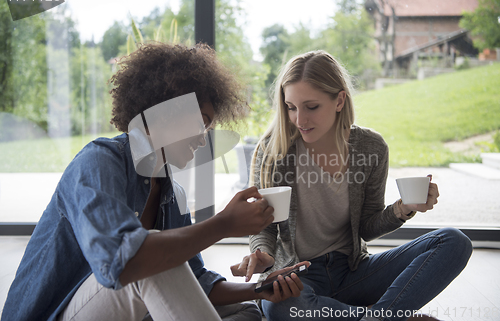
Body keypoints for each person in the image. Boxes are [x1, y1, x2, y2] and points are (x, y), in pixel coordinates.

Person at [1, 42, 309, 321]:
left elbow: (196, 279)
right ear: (166, 111)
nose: (203, 141)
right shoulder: (99, 162)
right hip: (55, 313)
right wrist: (223, 225)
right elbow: (125, 262)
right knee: (153, 263)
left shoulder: (170, 191)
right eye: (200, 124)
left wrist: (259, 288)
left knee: (246, 312)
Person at [231, 50, 473, 321]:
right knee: (280, 306)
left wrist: (403, 209)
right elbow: (265, 225)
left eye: (311, 107)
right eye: (291, 107)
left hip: (354, 271)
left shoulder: (371, 147)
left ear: (339, 100)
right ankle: (391, 317)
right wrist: (261, 253)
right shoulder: (272, 151)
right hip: (299, 277)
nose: (300, 120)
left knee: (454, 241)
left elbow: (367, 228)